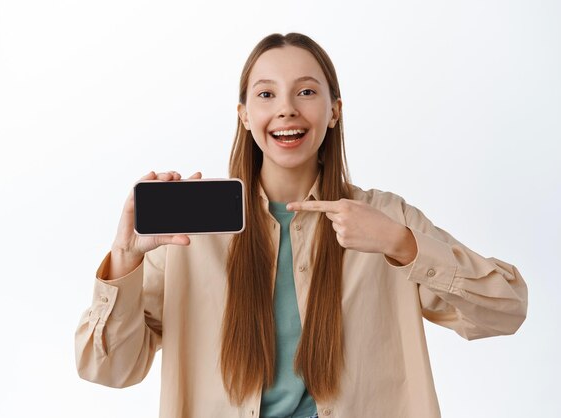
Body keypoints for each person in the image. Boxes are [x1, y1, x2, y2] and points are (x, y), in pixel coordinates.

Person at [75, 33, 528, 418]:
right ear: (244, 115)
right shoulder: (191, 233)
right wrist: (125, 259)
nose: (287, 109)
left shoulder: (386, 218)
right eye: (266, 94)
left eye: (307, 92)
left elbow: (506, 310)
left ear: (334, 111)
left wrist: (401, 245)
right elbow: (108, 369)